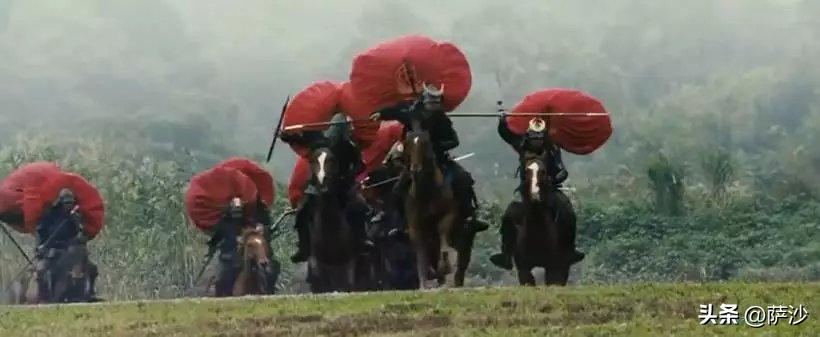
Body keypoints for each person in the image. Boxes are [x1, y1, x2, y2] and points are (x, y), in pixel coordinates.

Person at [369, 84, 489, 234]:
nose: (433, 106)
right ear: (424, 100)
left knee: (464, 178)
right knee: (397, 190)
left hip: (439, 160)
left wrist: (435, 147)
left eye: (436, 103)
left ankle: (469, 217)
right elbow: (395, 111)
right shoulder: (411, 113)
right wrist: (380, 113)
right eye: (431, 102)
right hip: (413, 161)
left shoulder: (442, 119)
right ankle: (400, 225)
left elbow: (454, 141)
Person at [489, 116, 584, 270]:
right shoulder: (522, 146)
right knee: (508, 215)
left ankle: (569, 250)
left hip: (550, 190)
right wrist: (502, 122)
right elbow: (507, 135)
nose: (537, 142)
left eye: (539, 138)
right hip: (526, 192)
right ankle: (506, 254)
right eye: (534, 138)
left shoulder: (552, 149)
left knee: (568, 212)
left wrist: (553, 179)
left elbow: (562, 171)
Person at [281, 116, 371, 263]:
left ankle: (361, 239)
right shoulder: (319, 143)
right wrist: (285, 135)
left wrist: (347, 176)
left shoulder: (349, 146)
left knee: (360, 206)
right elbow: (297, 138)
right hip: (316, 186)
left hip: (342, 186)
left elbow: (360, 166)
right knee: (302, 210)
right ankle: (304, 247)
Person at [35, 188, 98, 301]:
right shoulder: (50, 216)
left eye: (70, 203)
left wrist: (77, 224)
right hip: (52, 251)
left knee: (92, 268)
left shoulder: (75, 217)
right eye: (66, 203)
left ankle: (89, 293)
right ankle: (43, 297)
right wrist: (40, 246)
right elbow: (40, 233)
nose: (68, 206)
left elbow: (81, 234)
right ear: (60, 203)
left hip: (69, 251)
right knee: (41, 270)